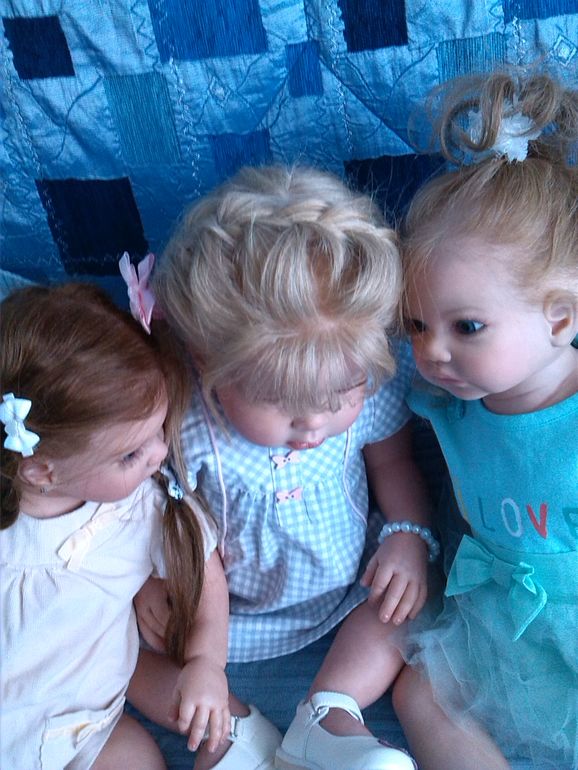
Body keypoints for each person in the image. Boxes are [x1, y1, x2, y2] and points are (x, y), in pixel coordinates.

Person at [134, 165, 437, 770]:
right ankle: (228, 732)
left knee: (409, 607)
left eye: (343, 394)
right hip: (217, 611)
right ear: (207, 360)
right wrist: (152, 589)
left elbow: (394, 459)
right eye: (284, 405)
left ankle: (329, 713)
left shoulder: (370, 375)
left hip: (348, 588)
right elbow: (150, 516)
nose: (315, 425)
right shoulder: (183, 416)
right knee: (124, 652)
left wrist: (408, 535)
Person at [391, 70, 578, 770]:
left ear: (559, 319)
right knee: (418, 693)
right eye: (416, 325)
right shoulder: (448, 403)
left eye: (466, 326)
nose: (431, 352)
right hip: (495, 617)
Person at [0, 283, 230, 770]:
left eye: (158, 432)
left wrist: (207, 662)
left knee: (139, 761)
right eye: (130, 455)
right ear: (41, 472)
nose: (160, 454)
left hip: (89, 727)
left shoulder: (139, 508)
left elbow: (205, 569)